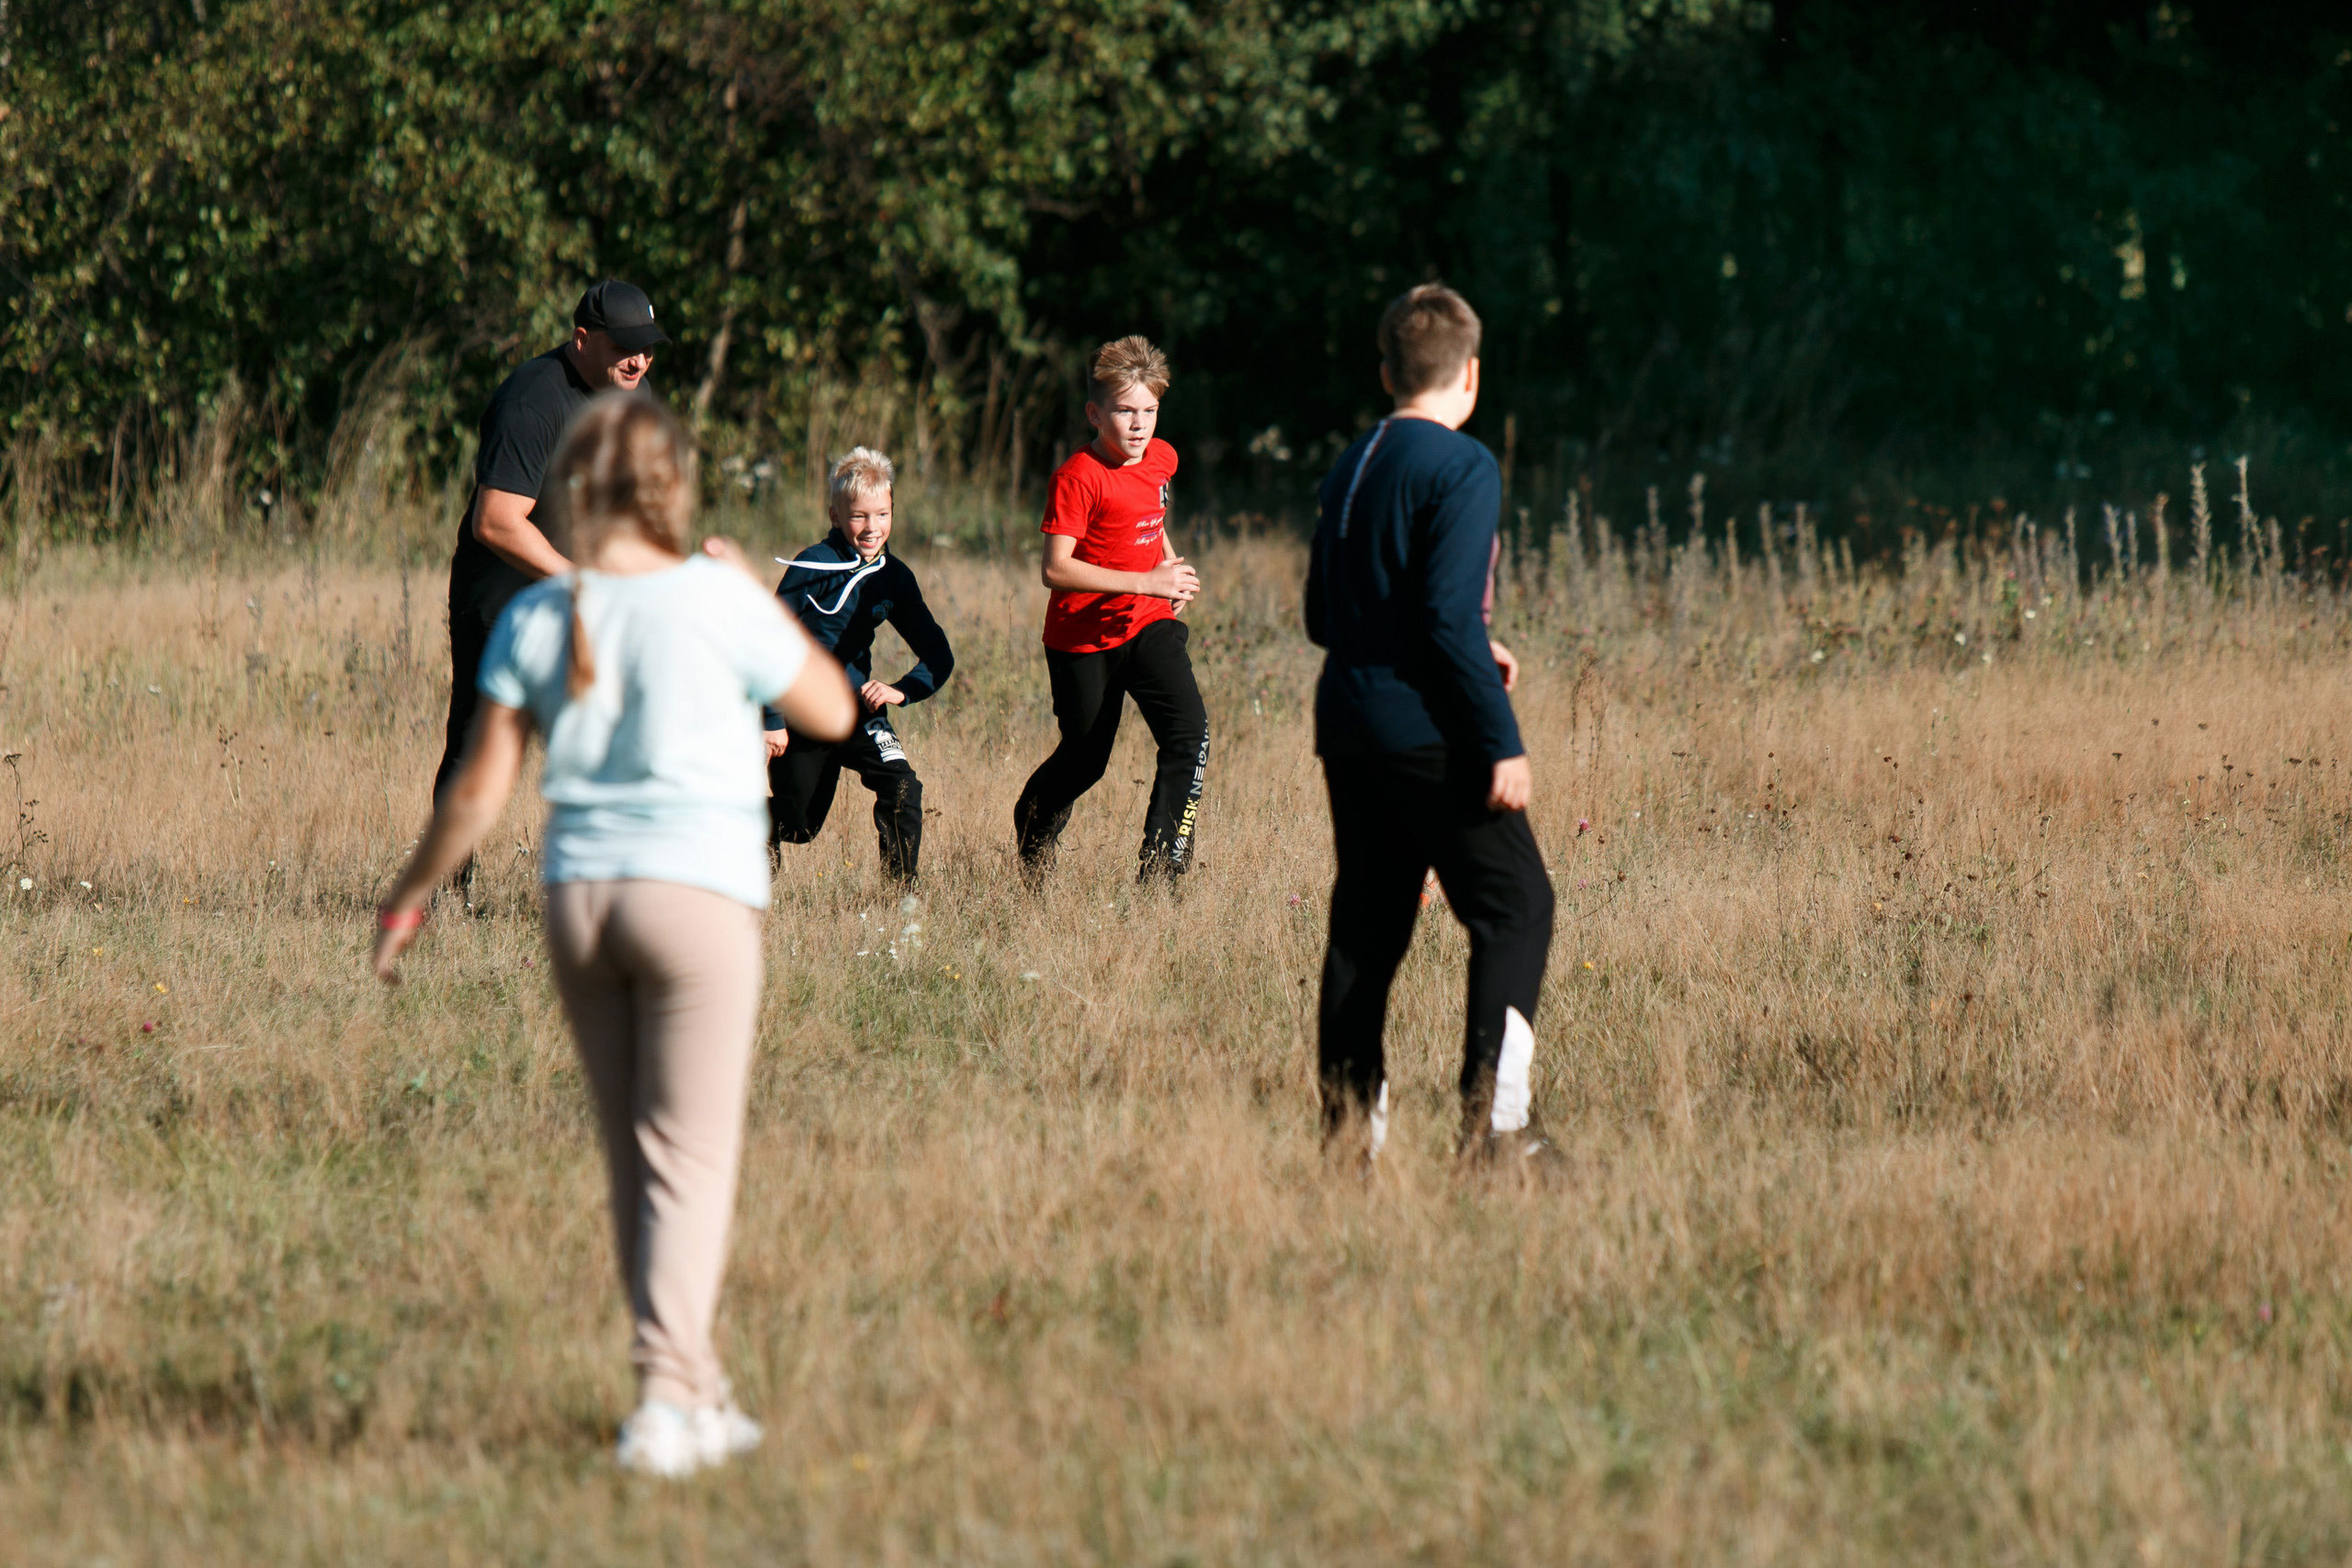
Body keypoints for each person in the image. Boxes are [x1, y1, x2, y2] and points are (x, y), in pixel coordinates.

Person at [372, 394, 858, 1477]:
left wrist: (409, 897)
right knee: (690, 1160)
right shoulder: (712, 599)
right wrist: (753, 596)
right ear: (675, 488)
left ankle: (700, 1391)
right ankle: (659, 1402)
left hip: (581, 902)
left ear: (577, 490)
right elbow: (830, 709)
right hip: (695, 899)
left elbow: (479, 789)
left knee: (640, 1159)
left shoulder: (545, 613)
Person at [1305, 283, 1558, 1174]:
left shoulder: (1351, 463)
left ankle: (1346, 1147)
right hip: (1430, 732)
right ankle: (1497, 1133)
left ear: (1385, 373)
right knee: (1515, 906)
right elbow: (1447, 618)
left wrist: (1462, 642)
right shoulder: (1462, 466)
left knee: (1366, 931)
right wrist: (1501, 738)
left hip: (1347, 722)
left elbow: (1323, 617)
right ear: (1472, 375)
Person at [435, 280, 670, 898]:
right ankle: (444, 887)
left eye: (647, 347)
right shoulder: (533, 400)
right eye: (625, 346)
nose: (639, 360)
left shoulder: (633, 394)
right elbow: (496, 521)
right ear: (583, 339)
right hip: (504, 598)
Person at [1012, 335, 1209, 883]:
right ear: (1095, 413)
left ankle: (1160, 874)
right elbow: (1055, 568)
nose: (1139, 424)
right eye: (1125, 410)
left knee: (1190, 734)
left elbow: (1151, 517)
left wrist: (1170, 570)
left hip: (1148, 622)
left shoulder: (1162, 457)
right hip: (1081, 638)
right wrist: (1147, 579)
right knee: (1085, 761)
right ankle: (1032, 823)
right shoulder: (1077, 477)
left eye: (1149, 410)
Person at [763, 446, 956, 882]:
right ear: (835, 515)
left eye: (883, 514)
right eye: (859, 516)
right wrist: (772, 719)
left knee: (903, 787)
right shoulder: (809, 566)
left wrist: (902, 689)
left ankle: (899, 900)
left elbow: (938, 652)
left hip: (856, 709)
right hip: (799, 711)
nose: (873, 528)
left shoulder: (895, 577)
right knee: (799, 825)